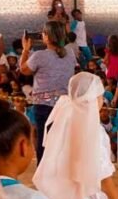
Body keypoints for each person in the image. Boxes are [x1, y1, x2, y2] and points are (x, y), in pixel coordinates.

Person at [20, 21, 76, 161]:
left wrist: (25, 50)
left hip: (44, 105)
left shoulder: (40, 55)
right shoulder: (70, 53)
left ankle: (44, 176)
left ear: (48, 36)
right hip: (64, 104)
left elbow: (23, 70)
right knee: (61, 141)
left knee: (44, 142)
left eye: (44, 33)